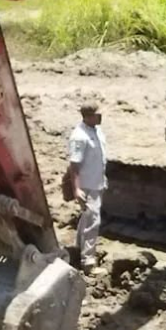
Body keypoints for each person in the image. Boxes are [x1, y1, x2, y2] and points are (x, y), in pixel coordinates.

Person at [67, 100, 107, 272]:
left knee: (86, 219)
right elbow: (74, 166)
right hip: (87, 186)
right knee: (92, 221)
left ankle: (77, 251)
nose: (101, 116)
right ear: (89, 116)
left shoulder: (96, 130)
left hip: (97, 181)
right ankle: (88, 262)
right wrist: (76, 189)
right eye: (98, 114)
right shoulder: (79, 136)